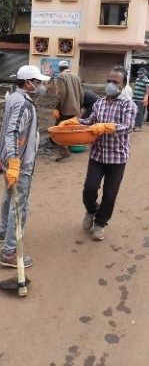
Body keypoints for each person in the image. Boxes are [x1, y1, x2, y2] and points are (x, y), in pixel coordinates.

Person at [60, 67, 137, 241]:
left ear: (123, 84)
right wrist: (74, 122)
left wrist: (107, 127)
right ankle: (91, 211)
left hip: (117, 157)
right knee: (89, 189)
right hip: (97, 155)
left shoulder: (128, 104)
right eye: (109, 80)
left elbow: (129, 126)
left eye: (115, 82)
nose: (110, 84)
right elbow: (89, 122)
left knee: (110, 195)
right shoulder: (99, 103)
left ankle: (100, 223)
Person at [0, 65, 50, 268]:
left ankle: (3, 231)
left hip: (10, 159)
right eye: (37, 82)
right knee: (20, 204)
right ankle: (9, 252)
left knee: (9, 195)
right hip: (18, 162)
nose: (41, 86)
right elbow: (12, 132)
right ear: (27, 83)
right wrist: (14, 162)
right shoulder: (23, 104)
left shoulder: (14, 97)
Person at [53, 60, 84, 161]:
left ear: (60, 68)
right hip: (76, 108)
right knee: (70, 129)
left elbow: (62, 93)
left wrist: (58, 107)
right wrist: (79, 107)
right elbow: (81, 94)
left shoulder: (61, 76)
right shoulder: (76, 77)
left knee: (58, 130)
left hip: (65, 108)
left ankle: (65, 151)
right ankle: (69, 147)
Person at [132, 67, 149, 131]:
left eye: (141, 73)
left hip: (140, 99)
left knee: (139, 113)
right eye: (138, 73)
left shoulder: (147, 80)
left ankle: (138, 126)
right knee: (134, 112)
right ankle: (134, 125)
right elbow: (135, 88)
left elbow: (147, 92)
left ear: (144, 73)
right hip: (135, 98)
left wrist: (145, 99)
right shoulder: (137, 79)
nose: (139, 75)